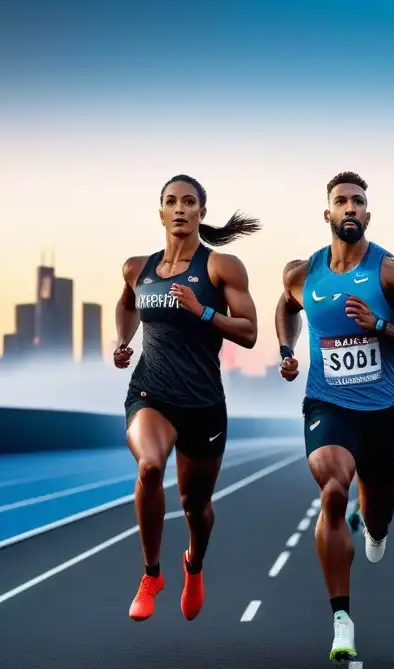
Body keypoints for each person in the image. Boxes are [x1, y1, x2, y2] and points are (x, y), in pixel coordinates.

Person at [275, 170, 394, 661]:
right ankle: (341, 618)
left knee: (378, 513)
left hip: (381, 411)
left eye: (358, 201)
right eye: (341, 201)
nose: (350, 208)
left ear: (368, 213)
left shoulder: (393, 272)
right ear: (327, 213)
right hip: (327, 403)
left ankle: (376, 527)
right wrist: (287, 348)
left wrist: (381, 326)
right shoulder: (303, 273)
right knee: (333, 489)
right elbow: (286, 307)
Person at [115, 174, 261, 623]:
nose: (180, 209)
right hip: (150, 391)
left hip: (202, 402)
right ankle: (151, 573)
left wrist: (203, 312)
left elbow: (250, 331)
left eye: (189, 202)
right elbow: (126, 305)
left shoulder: (221, 267)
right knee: (150, 466)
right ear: (160, 212)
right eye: (171, 202)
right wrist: (124, 341)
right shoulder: (136, 267)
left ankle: (193, 565)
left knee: (195, 507)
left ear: (201, 211)